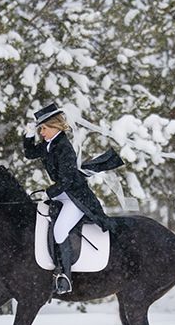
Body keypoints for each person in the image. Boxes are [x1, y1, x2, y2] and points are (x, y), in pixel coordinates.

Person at [23, 103, 118, 295]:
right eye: (40, 129)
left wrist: (48, 193)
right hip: (62, 194)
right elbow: (29, 153)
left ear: (55, 126)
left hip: (75, 197)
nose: (41, 133)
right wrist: (26, 135)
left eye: (43, 128)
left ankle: (64, 276)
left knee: (59, 230)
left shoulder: (63, 147)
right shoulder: (49, 144)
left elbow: (67, 180)